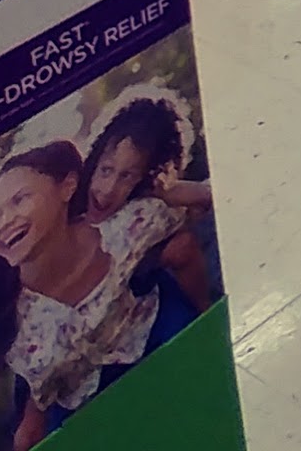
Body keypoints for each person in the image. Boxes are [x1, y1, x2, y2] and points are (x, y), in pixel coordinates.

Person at [0, 141, 193, 446]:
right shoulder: (3, 309)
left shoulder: (122, 229)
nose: (5, 222)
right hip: (84, 403)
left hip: (155, 347)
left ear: (67, 187)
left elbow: (188, 227)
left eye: (19, 199)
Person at [80, 91, 215, 316]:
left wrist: (167, 191)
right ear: (94, 160)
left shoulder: (142, 208)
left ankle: (208, 313)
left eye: (127, 176)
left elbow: (207, 196)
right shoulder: (71, 197)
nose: (109, 189)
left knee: (182, 245)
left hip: (134, 291)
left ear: (144, 178)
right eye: (106, 170)